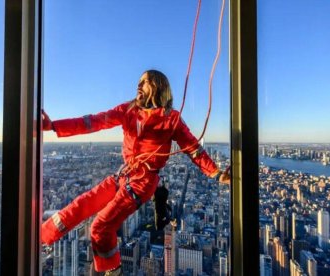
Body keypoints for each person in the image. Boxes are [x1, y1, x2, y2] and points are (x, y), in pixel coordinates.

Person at [41, 69, 230, 275]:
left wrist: (216, 173)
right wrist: (53, 126)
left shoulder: (171, 119)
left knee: (100, 226)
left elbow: (193, 148)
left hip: (143, 181)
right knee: (81, 204)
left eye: (145, 82)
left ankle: (113, 270)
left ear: (158, 87)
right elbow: (92, 122)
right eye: (139, 81)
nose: (139, 85)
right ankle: (41, 237)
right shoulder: (129, 110)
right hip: (124, 175)